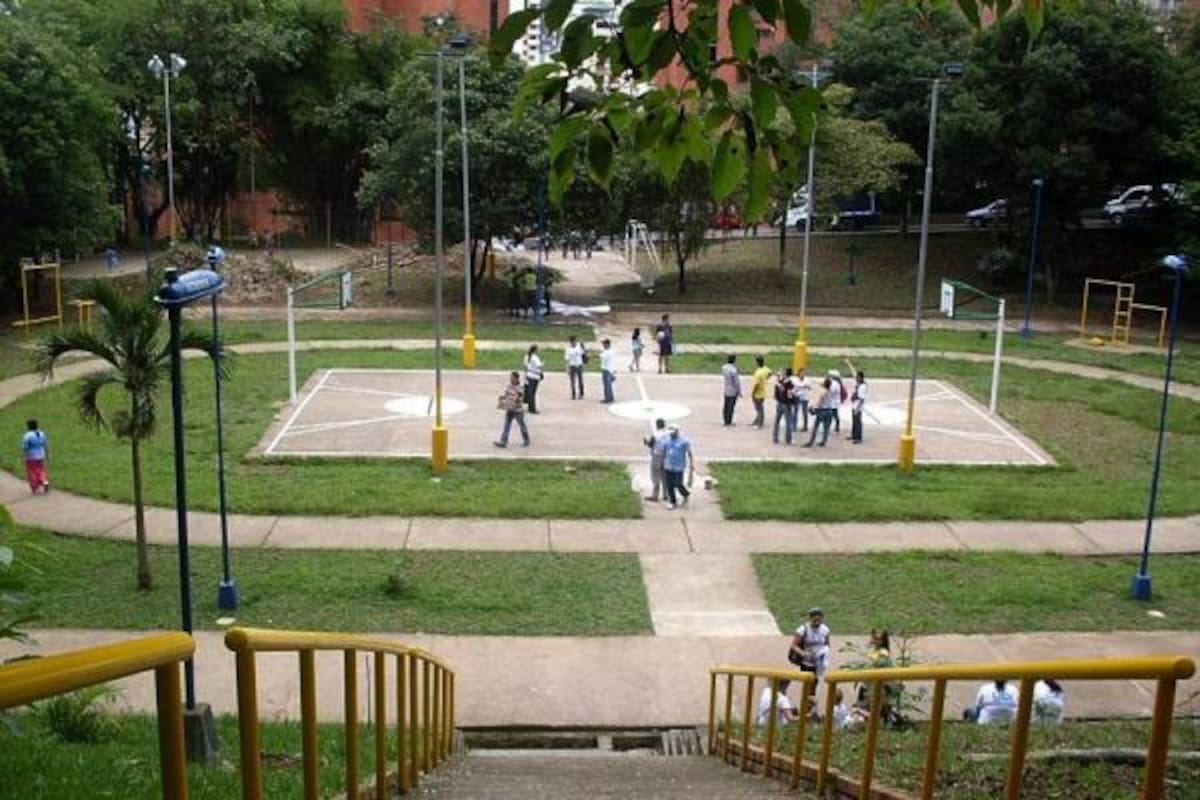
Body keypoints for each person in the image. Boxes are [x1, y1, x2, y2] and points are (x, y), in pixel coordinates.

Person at [789, 608, 831, 704]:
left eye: (819, 620)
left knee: (815, 684)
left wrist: (824, 654)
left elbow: (827, 644)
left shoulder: (825, 630)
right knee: (807, 684)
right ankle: (806, 705)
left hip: (819, 663)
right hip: (807, 663)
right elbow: (794, 645)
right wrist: (803, 653)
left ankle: (810, 706)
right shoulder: (802, 629)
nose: (817, 623)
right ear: (810, 618)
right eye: (814, 620)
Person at [661, 425, 695, 509]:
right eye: (670, 433)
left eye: (673, 433)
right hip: (668, 465)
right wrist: (662, 462)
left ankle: (685, 494)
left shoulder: (684, 441)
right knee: (669, 485)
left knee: (678, 483)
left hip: (679, 466)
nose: (671, 435)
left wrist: (692, 463)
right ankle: (672, 501)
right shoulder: (666, 441)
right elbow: (664, 452)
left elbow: (689, 453)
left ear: (677, 431)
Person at [494, 372, 530, 448]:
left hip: (518, 410)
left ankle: (526, 440)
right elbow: (506, 394)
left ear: (517, 379)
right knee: (506, 425)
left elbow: (518, 398)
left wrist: (515, 399)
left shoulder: (520, 387)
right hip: (510, 409)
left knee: (522, 425)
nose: (511, 379)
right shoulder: (509, 386)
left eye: (513, 378)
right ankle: (503, 441)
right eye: (511, 377)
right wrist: (503, 398)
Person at [803, 378, 835, 447]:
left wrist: (814, 408)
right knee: (826, 428)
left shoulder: (823, 392)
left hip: (822, 410)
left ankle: (811, 442)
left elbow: (819, 401)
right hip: (829, 410)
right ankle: (823, 441)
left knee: (815, 427)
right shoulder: (830, 391)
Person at [21, 419, 49, 494]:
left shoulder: (27, 435)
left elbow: (25, 447)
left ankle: (35, 487)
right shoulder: (41, 433)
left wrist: (23, 456)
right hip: (41, 455)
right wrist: (47, 454)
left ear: (29, 426)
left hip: (31, 456)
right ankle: (45, 481)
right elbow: (45, 444)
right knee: (41, 469)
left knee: (32, 471)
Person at [643, 418, 668, 501]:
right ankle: (666, 495)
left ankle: (655, 496)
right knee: (665, 476)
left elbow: (651, 444)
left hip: (657, 457)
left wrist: (646, 442)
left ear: (657, 425)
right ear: (664, 425)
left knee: (656, 476)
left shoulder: (656, 434)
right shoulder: (668, 434)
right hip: (666, 457)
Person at [772, 368, 796, 445]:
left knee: (777, 421)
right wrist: (793, 399)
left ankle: (775, 438)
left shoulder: (780, 381)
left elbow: (777, 391)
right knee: (788, 422)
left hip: (779, 403)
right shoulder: (790, 384)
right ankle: (788, 440)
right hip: (787, 404)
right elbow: (789, 395)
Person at [721, 354, 742, 426]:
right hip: (733, 390)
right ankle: (729, 421)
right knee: (731, 406)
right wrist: (739, 391)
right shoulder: (733, 370)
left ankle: (725, 419)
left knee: (726, 405)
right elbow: (736, 382)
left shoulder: (724, 367)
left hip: (726, 388)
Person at [750, 356, 771, 428]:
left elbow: (756, 384)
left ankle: (760, 424)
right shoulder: (765, 369)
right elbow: (770, 373)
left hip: (758, 394)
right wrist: (765, 379)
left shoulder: (758, 373)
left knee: (759, 409)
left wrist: (753, 393)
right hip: (763, 392)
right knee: (759, 408)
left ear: (757, 362)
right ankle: (756, 421)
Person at [523, 345, 544, 414]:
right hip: (535, 376)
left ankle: (530, 407)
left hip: (529, 375)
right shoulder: (535, 357)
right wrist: (542, 365)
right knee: (533, 393)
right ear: (535, 350)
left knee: (530, 392)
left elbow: (525, 366)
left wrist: (525, 375)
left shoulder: (526, 357)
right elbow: (539, 366)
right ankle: (532, 408)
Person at [565, 335, 586, 399]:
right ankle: (573, 394)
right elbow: (567, 359)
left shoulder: (579, 347)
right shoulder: (568, 349)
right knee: (572, 381)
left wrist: (583, 345)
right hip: (572, 366)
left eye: (574, 341)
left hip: (579, 365)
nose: (573, 343)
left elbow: (584, 353)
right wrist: (567, 368)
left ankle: (581, 393)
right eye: (572, 342)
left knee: (580, 380)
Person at [849, 370, 868, 443]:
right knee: (854, 421)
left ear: (860, 377)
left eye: (857, 377)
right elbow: (853, 372)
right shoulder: (858, 384)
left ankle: (858, 438)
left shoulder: (862, 387)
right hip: (854, 405)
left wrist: (857, 409)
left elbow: (861, 399)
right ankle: (854, 435)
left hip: (858, 406)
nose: (856, 378)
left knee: (858, 422)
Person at [828, 369, 845, 434]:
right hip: (834, 402)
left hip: (833, 403)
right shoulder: (836, 383)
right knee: (834, 415)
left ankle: (834, 427)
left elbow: (831, 391)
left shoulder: (835, 384)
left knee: (832, 415)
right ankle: (836, 427)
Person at [599, 338, 616, 403]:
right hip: (609, 370)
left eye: (604, 344)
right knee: (608, 385)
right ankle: (611, 398)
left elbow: (602, 356)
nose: (603, 345)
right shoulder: (608, 351)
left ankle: (607, 399)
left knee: (607, 385)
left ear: (607, 344)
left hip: (607, 370)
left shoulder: (608, 352)